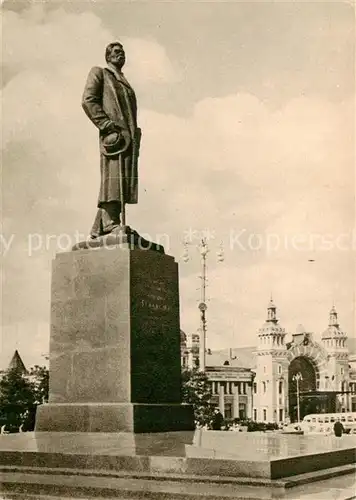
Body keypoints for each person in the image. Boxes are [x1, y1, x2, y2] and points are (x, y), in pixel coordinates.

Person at [82, 42, 141, 238]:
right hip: (114, 138)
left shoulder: (123, 81)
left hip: (128, 140)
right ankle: (109, 224)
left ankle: (101, 224)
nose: (119, 54)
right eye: (115, 52)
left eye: (122, 52)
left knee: (122, 181)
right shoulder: (100, 73)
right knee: (113, 180)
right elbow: (88, 100)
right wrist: (105, 124)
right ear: (107, 56)